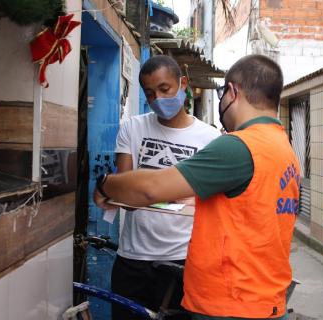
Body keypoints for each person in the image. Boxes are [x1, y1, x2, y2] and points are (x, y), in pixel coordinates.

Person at [94, 54, 301, 320]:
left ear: (232, 92)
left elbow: (152, 188)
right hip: (263, 299)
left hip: (230, 303)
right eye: (150, 93)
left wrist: (105, 184)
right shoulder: (285, 150)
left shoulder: (237, 146)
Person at [110, 55, 220, 320]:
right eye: (150, 93)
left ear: (183, 83)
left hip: (183, 260)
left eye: (164, 89)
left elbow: (209, 200)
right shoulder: (131, 128)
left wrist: (145, 194)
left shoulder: (210, 138)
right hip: (133, 258)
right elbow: (122, 192)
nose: (158, 99)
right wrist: (177, 198)